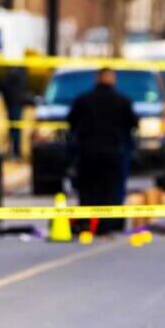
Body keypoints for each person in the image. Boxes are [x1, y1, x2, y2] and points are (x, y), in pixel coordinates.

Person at [67, 68, 136, 235]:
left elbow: (71, 122)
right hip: (113, 152)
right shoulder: (122, 101)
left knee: (88, 190)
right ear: (112, 79)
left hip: (87, 153)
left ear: (97, 79)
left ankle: (87, 223)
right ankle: (109, 224)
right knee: (111, 190)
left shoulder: (83, 100)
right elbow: (132, 123)